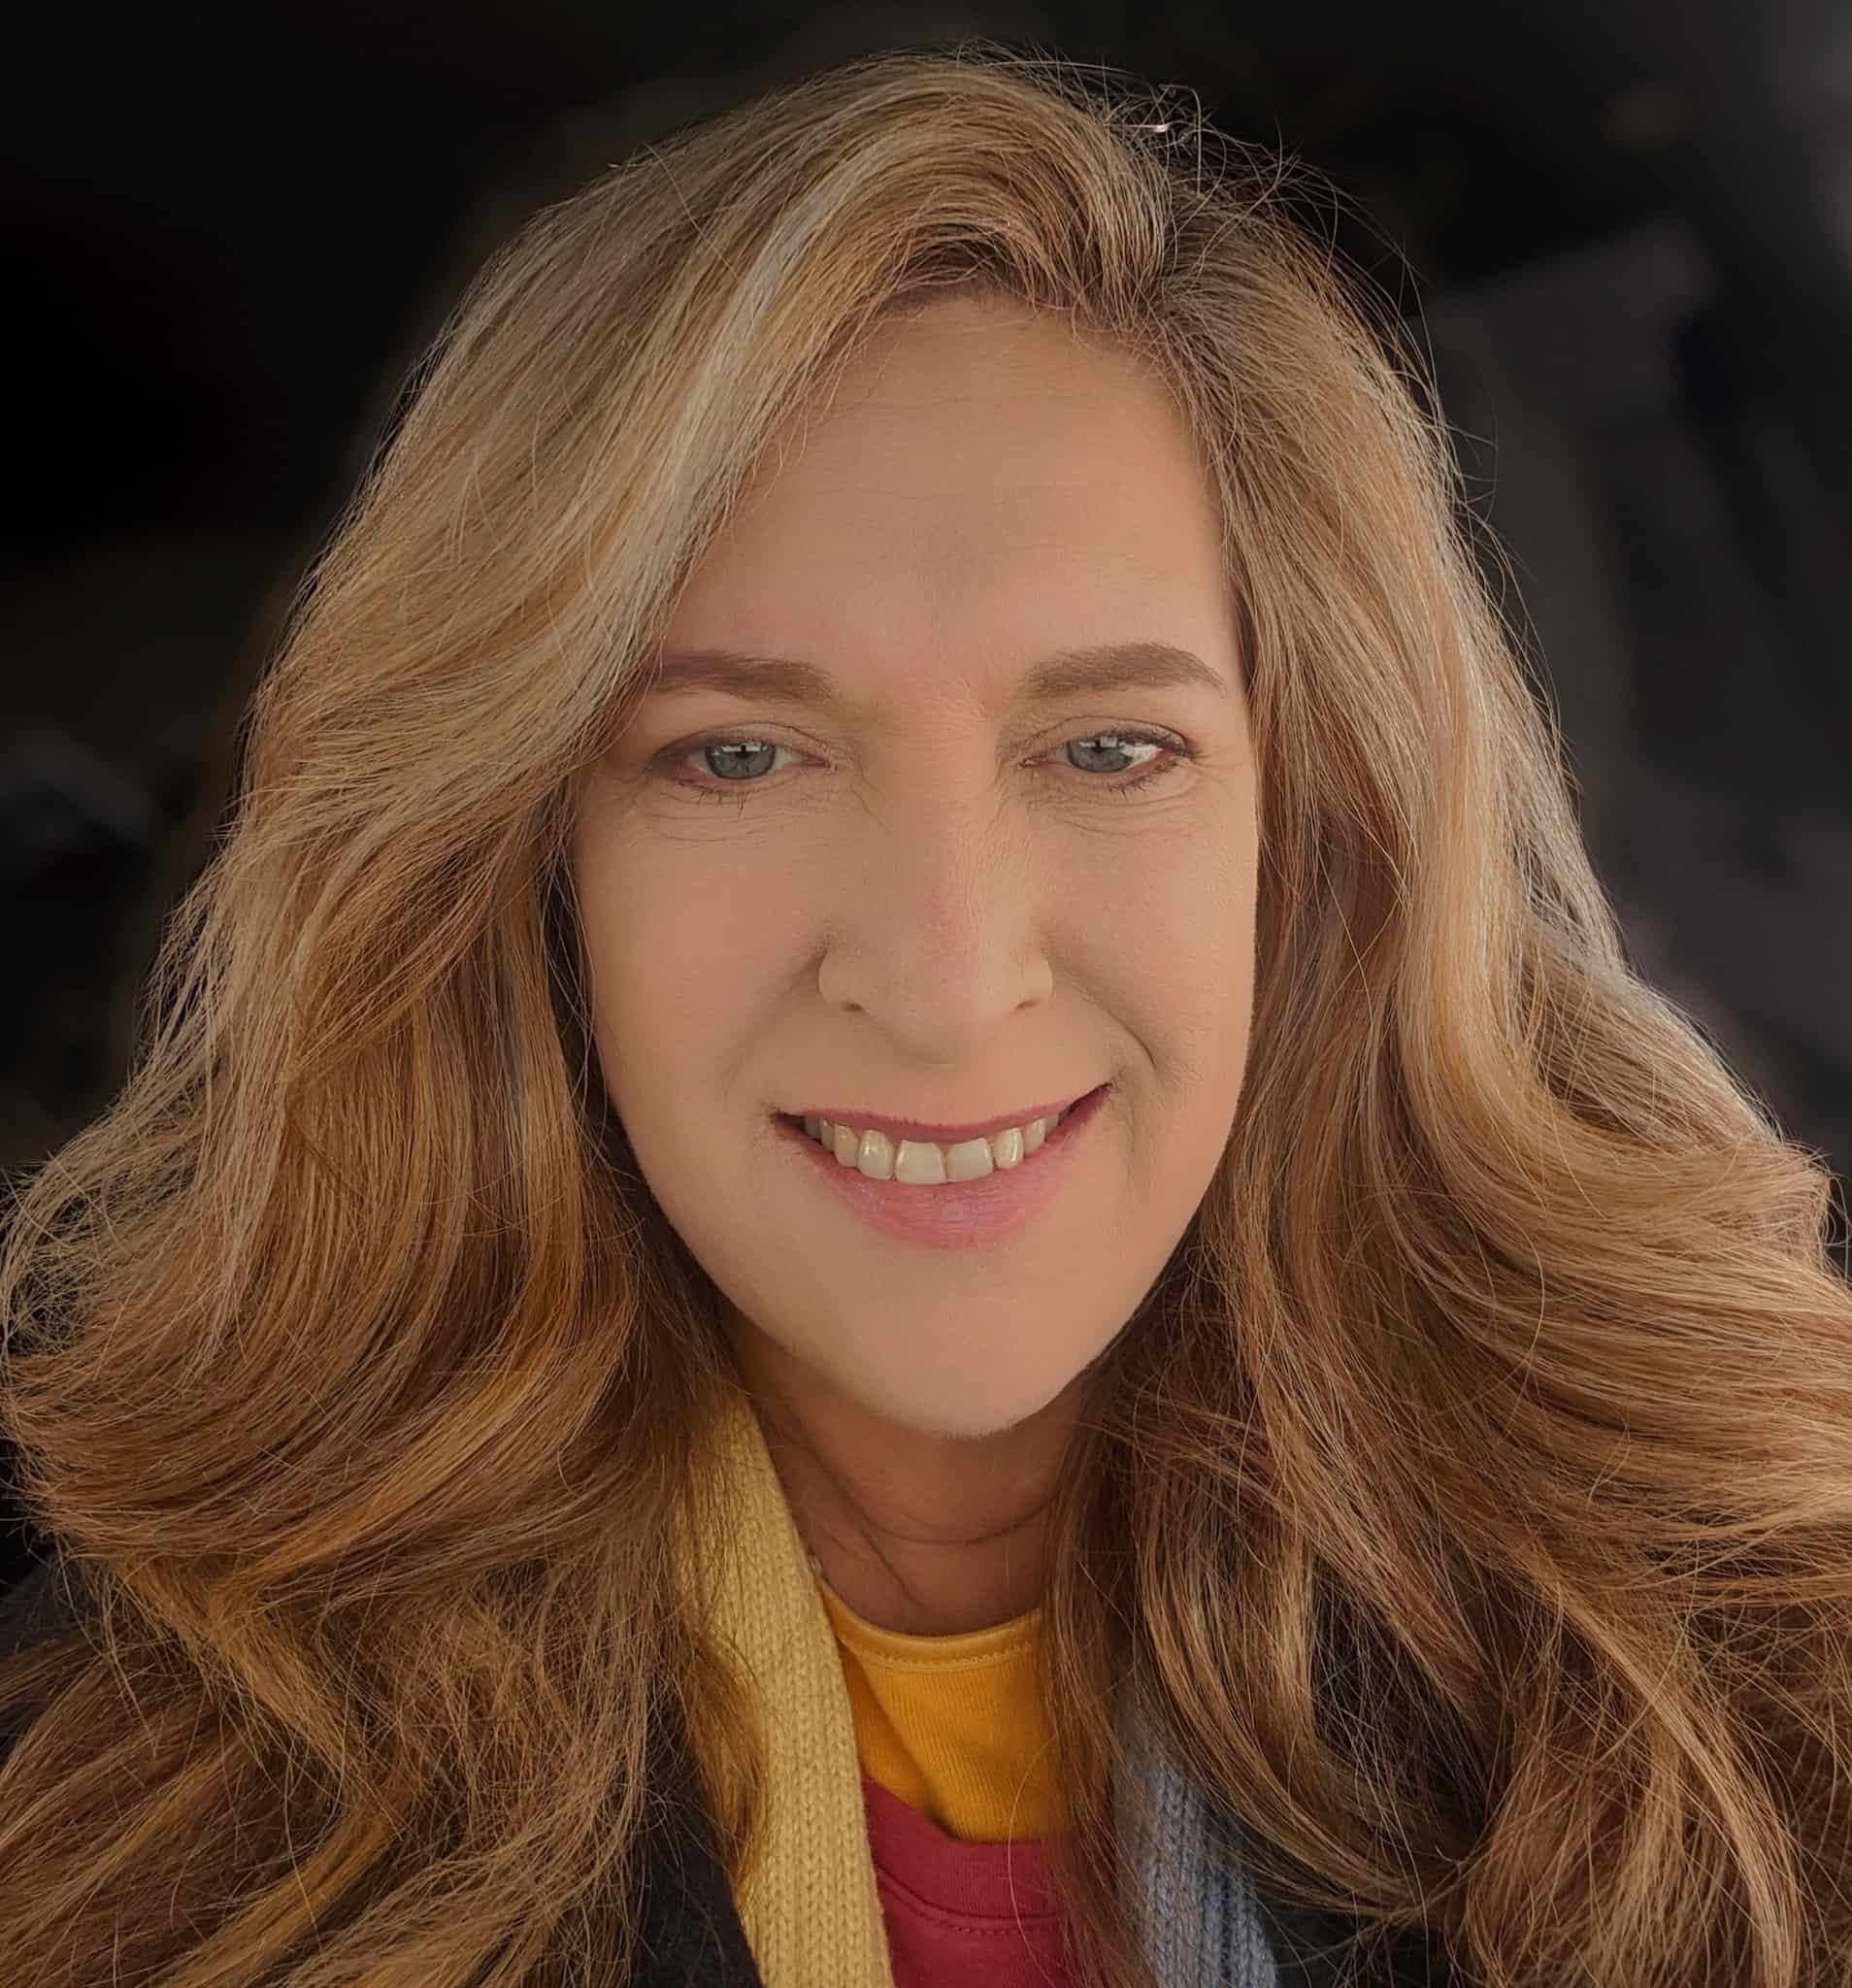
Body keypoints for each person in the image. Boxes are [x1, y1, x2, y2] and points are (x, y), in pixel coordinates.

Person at [2, 38, 1849, 1988]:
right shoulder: (110, 1813)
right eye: (738, 756)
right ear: (524, 860)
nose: (949, 983)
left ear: (1317, 840)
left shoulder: (1771, 1694)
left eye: (1110, 745)